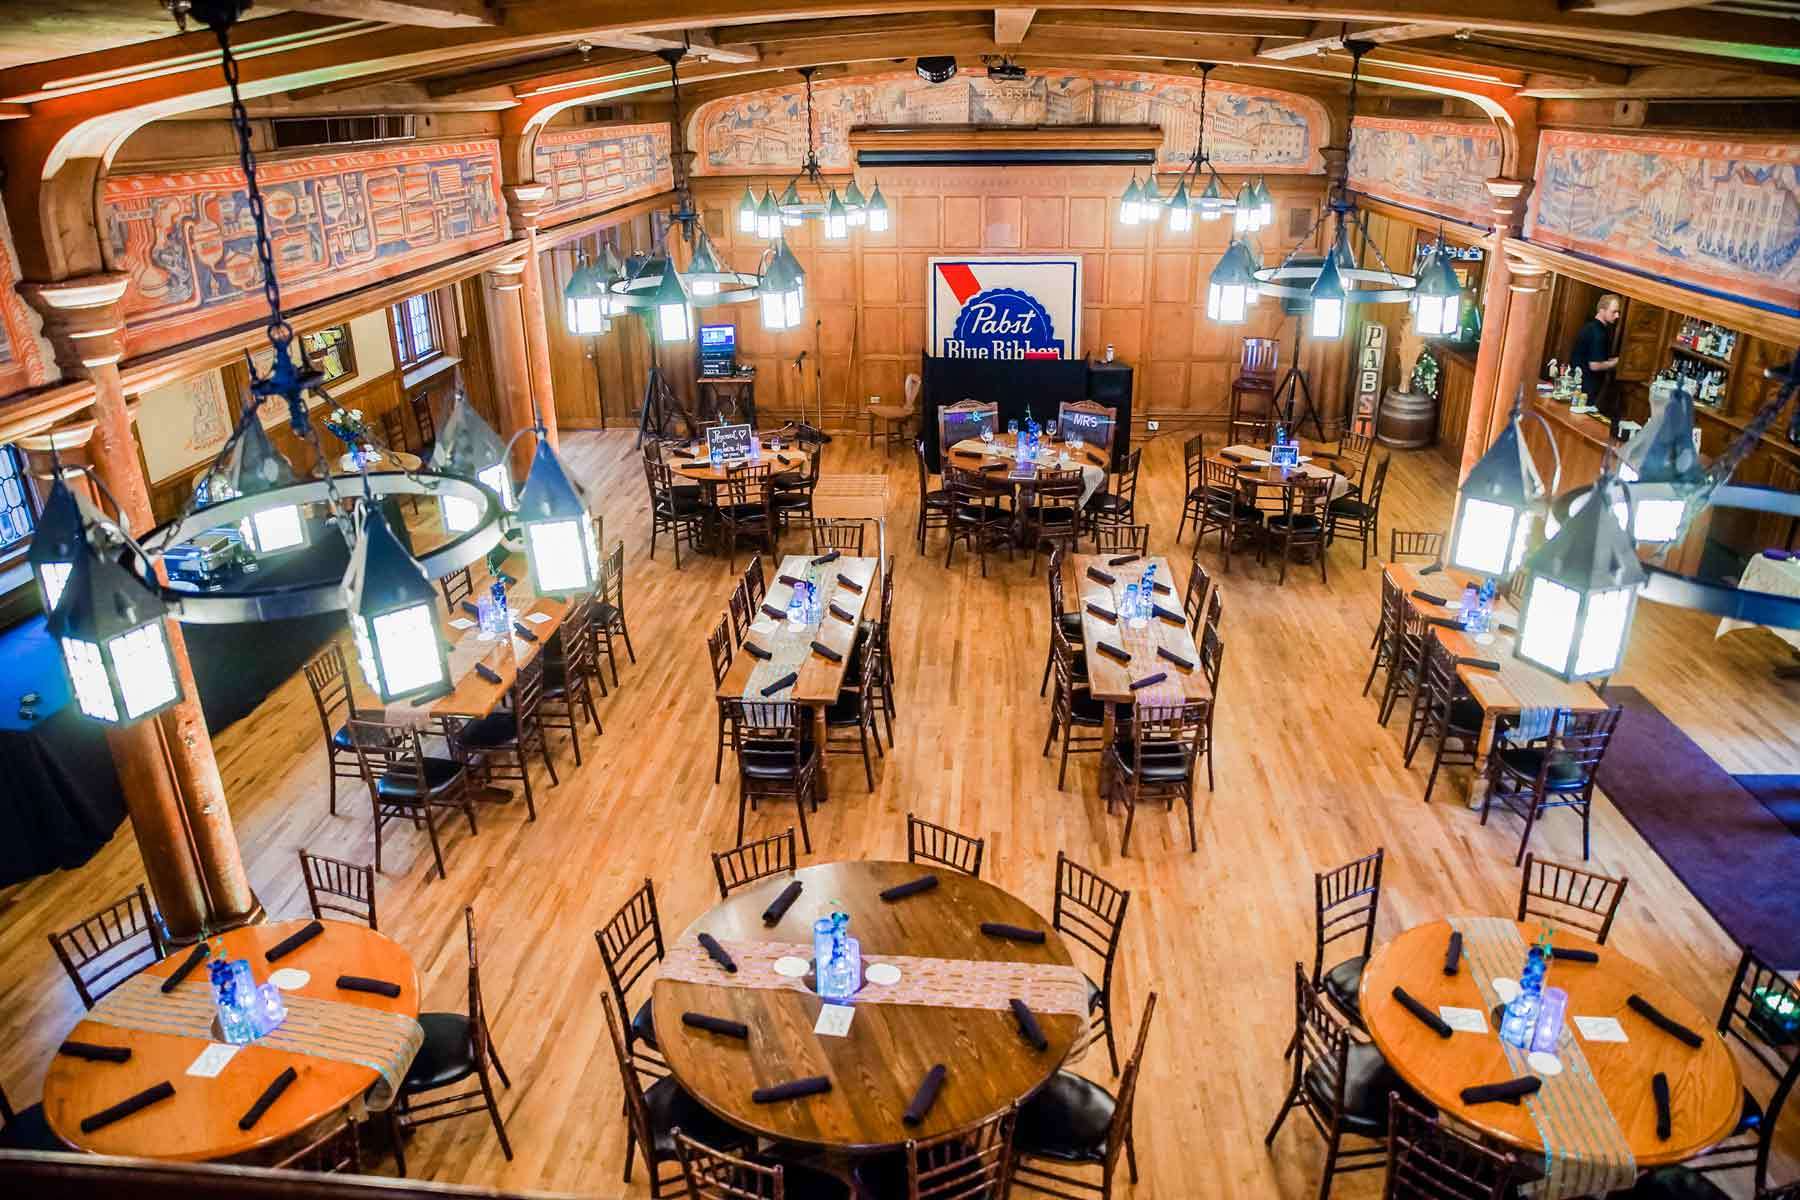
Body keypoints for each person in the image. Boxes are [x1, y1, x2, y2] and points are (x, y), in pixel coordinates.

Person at [1571, 293, 1622, 419]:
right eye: (1614, 312)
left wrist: (1609, 361)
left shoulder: (1590, 327)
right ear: (1602, 310)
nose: (1617, 316)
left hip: (1578, 384)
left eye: (1618, 312)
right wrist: (1617, 362)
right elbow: (1595, 365)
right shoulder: (1599, 333)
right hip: (1586, 389)